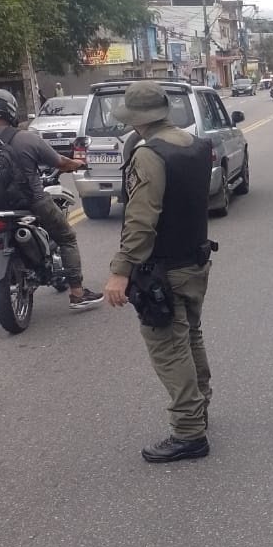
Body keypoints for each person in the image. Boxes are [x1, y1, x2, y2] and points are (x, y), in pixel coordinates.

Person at [103, 81, 214, 464]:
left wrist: (121, 271)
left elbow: (140, 220)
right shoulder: (196, 145)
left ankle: (188, 432)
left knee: (169, 347)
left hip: (163, 270)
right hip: (195, 261)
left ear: (137, 120)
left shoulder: (150, 154)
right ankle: (199, 409)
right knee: (190, 337)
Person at [0, 87, 103, 310]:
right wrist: (77, 164)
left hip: (0, 209)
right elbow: (60, 163)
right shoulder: (25, 138)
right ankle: (77, 293)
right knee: (67, 237)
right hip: (32, 203)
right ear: (10, 111)